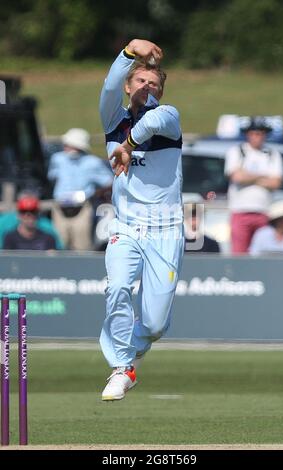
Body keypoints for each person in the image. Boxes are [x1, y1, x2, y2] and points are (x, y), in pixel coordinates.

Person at [99, 39, 184, 401]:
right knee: (117, 289)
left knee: (153, 324)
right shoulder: (112, 118)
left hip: (166, 230)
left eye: (154, 85)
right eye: (141, 82)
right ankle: (120, 367)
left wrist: (128, 145)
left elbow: (154, 121)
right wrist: (129, 51)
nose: (147, 88)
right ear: (128, 87)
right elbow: (106, 88)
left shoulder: (169, 118)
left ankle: (129, 358)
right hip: (125, 227)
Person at [224, 116, 283, 254]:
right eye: (254, 133)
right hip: (240, 210)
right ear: (248, 134)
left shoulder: (272, 154)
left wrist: (248, 175)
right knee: (239, 252)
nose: (258, 137)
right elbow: (236, 177)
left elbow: (276, 182)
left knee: (262, 252)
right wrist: (263, 176)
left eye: (261, 133)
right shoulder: (237, 151)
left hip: (264, 210)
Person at [47, 128, 113, 250]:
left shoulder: (92, 163)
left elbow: (109, 182)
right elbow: (52, 177)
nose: (66, 147)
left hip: (81, 208)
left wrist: (94, 193)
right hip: (60, 207)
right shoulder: (57, 159)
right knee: (58, 244)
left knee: (82, 246)